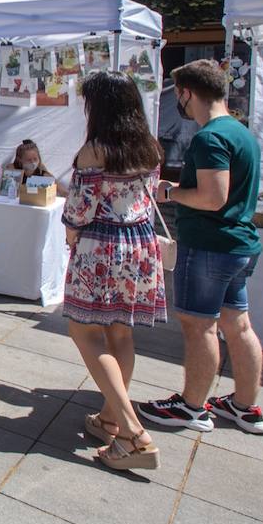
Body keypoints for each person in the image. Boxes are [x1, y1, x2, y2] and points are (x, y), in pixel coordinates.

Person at [141, 60, 263, 435]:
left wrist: (169, 192)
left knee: (200, 327)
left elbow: (214, 197)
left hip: (210, 246)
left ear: (186, 93)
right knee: (238, 325)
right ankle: (245, 406)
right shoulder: (241, 133)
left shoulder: (210, 137)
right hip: (237, 244)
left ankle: (192, 406)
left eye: (178, 94)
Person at [62, 71, 165, 471]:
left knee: (85, 332)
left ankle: (133, 432)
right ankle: (109, 418)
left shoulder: (95, 150)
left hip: (102, 245)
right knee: (121, 332)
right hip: (140, 244)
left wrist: (70, 234)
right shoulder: (149, 147)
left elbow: (79, 209)